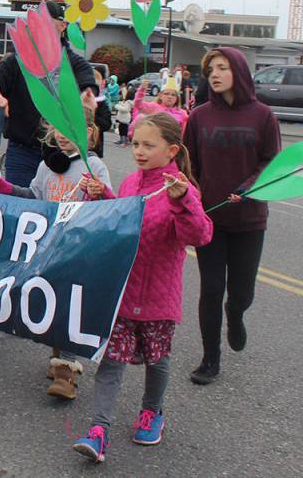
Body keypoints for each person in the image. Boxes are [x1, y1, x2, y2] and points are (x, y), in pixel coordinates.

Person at [72, 113, 213, 463]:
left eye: (148, 145)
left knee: (158, 360)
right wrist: (101, 194)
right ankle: (98, 428)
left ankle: (152, 411)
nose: (138, 150)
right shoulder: (132, 182)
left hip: (158, 295)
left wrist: (184, 201)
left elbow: (200, 235)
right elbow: (121, 220)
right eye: (135, 143)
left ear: (172, 150)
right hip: (124, 290)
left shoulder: (182, 188)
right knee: (112, 362)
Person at [0, 104, 110, 399]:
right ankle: (59, 357)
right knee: (51, 299)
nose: (63, 135)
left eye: (70, 130)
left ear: (88, 133)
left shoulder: (96, 167)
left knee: (69, 302)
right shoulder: (46, 166)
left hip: (79, 246)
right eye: (58, 128)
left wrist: (98, 192)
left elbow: (109, 208)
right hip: (49, 243)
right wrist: (7, 188)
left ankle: (67, 373)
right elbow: (34, 197)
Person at [183, 47, 280, 385]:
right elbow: (187, 163)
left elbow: (271, 161)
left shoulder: (263, 116)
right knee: (210, 289)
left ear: (238, 71)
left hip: (250, 219)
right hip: (209, 218)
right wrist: (191, 195)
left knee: (242, 292)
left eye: (223, 68)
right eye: (211, 69)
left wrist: (249, 188)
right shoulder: (199, 116)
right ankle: (210, 359)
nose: (215, 74)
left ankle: (235, 313)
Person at [0, 2, 97, 187]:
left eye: (46, 22)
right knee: (19, 206)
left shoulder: (75, 63)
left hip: (64, 152)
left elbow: (88, 85)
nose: (41, 29)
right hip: (22, 152)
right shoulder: (17, 62)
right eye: (35, 24)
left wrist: (86, 98)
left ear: (63, 25)